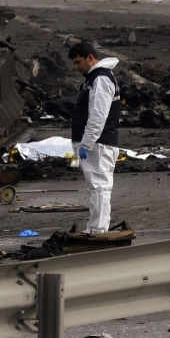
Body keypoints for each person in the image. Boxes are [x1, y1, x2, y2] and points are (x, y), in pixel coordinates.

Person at [68, 43, 120, 235]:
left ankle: (98, 229)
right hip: (96, 143)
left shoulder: (101, 79)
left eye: (78, 62)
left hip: (99, 144)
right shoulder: (95, 78)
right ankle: (94, 227)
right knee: (96, 187)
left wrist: (87, 143)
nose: (76, 67)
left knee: (99, 187)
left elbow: (98, 115)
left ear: (90, 58)